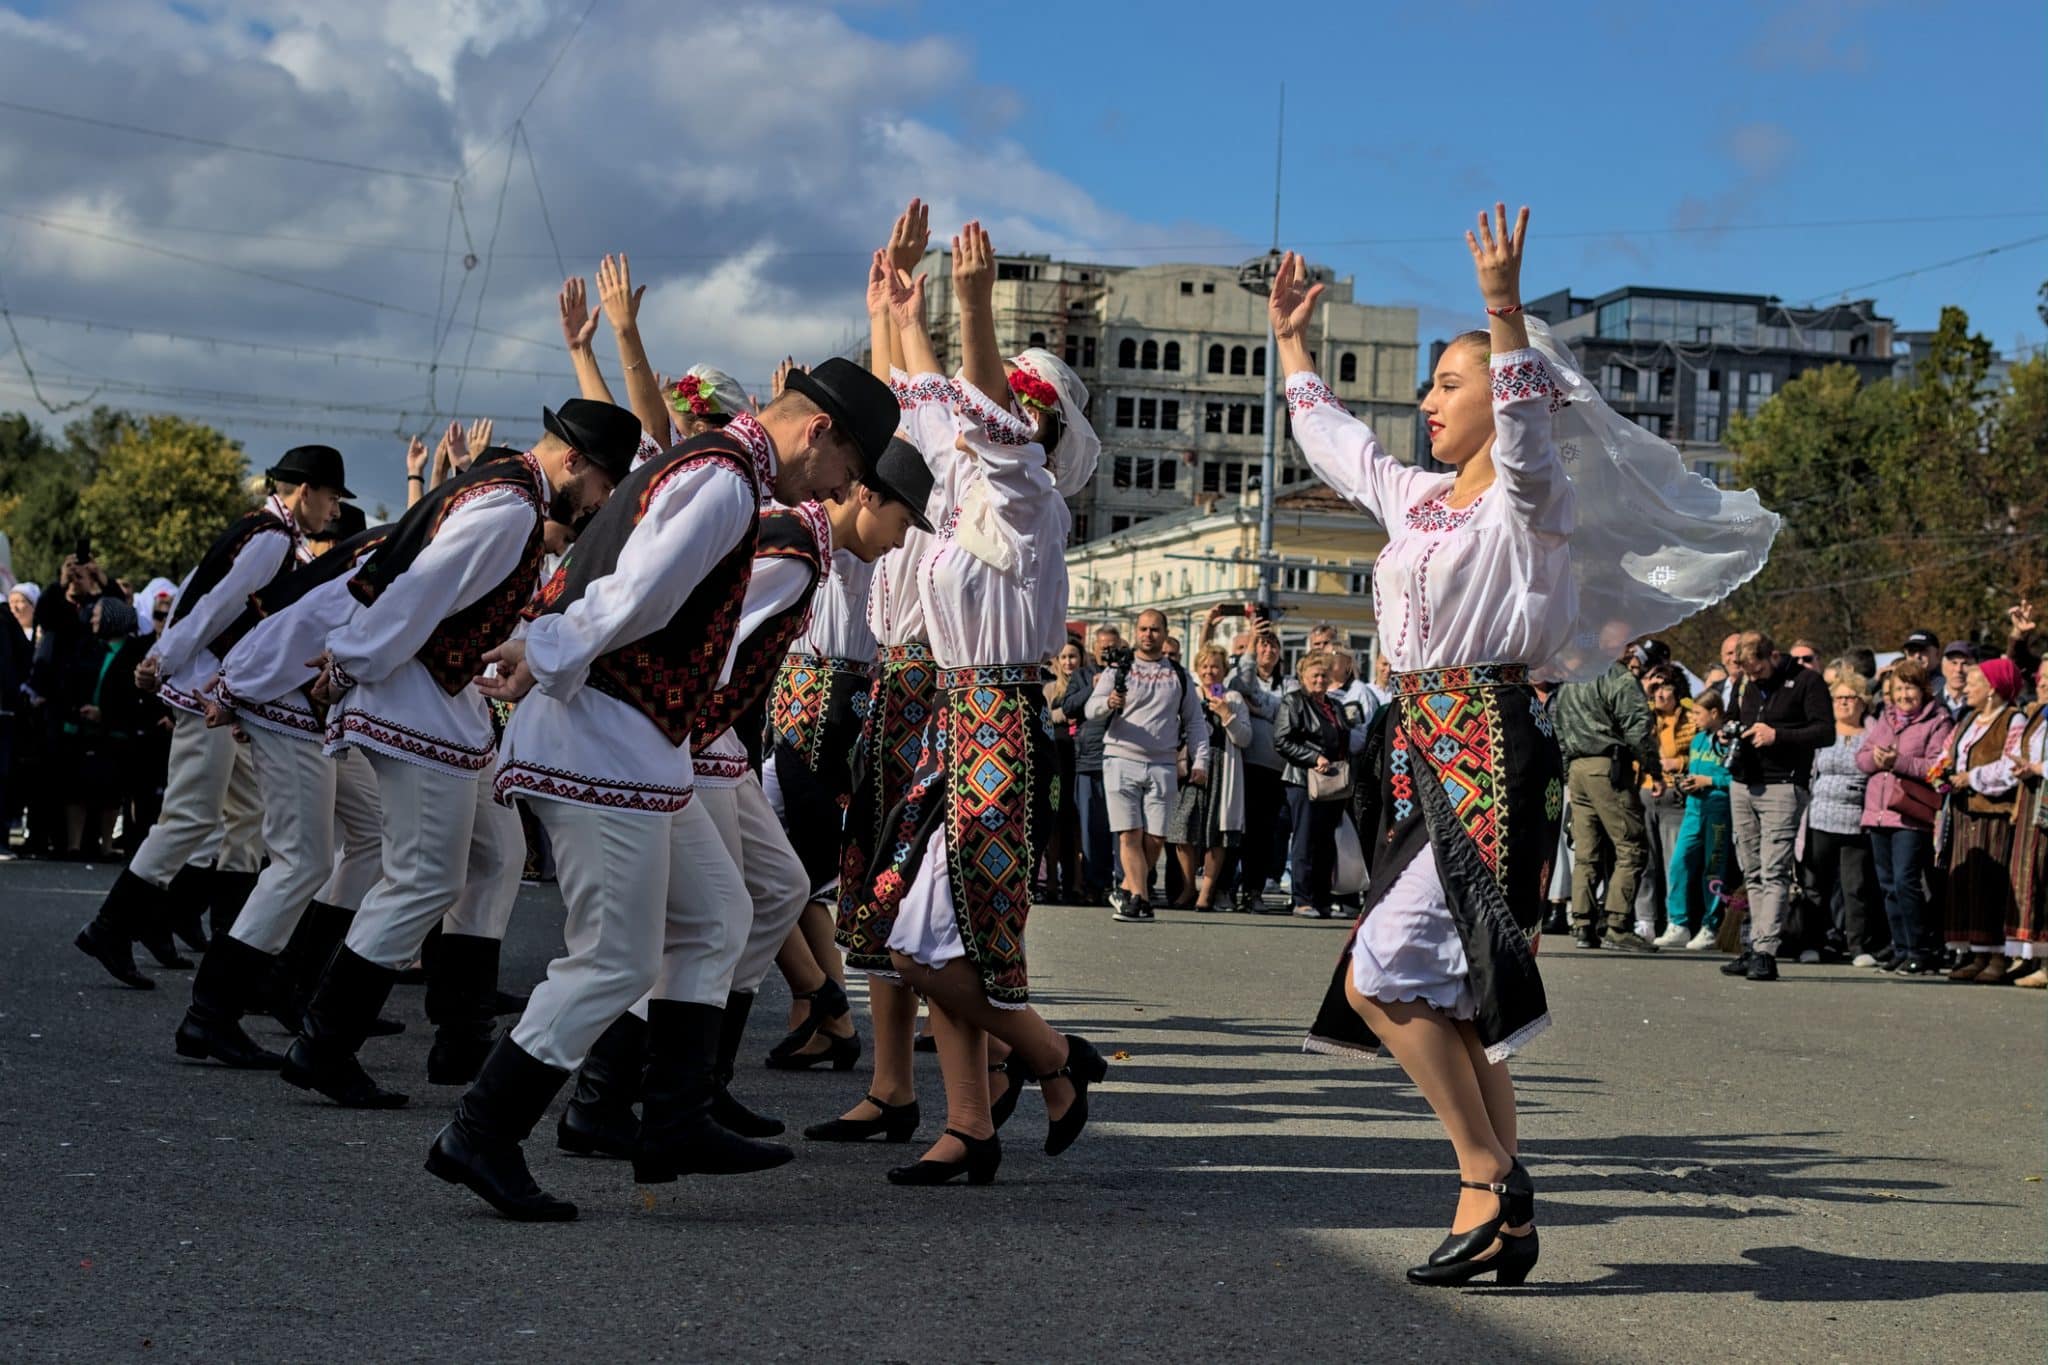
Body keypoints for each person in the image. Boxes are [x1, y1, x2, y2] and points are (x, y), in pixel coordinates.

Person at [1284, 205, 1775, 1287]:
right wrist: (1289, 350)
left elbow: (1520, 437)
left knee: (1379, 975)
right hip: (1420, 744)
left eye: (1445, 384)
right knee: (1456, 995)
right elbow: (1342, 445)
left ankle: (1486, 1178)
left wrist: (1502, 312)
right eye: (1431, 387)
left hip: (1493, 745)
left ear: (1505, 397)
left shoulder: (1527, 503)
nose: (1426, 403)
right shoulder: (1416, 503)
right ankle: (1504, 1205)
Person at [426, 363, 888, 1221]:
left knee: (716, 913)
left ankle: (673, 1117)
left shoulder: (724, 472)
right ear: (820, 433)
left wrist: (550, 648)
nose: (842, 489)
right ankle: (482, 1129)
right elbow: (638, 591)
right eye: (850, 468)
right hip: (602, 736)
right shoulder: (722, 479)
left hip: (630, 738)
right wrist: (551, 653)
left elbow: (630, 585)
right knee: (613, 958)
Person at [281, 402, 630, 1110]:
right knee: (421, 876)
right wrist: (352, 656)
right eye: (601, 485)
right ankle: (324, 1041)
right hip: (412, 695)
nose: (598, 502)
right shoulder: (509, 506)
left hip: (436, 693)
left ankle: (461, 1030)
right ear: (575, 463)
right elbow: (419, 588)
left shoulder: (508, 490)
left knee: (494, 850)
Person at [860, 224, 1109, 1186]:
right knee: (918, 930)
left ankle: (1050, 1059)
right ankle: (973, 1118)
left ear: (1036, 426)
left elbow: (980, 419)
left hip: (999, 723)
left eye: (1009, 403)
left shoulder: (1025, 494)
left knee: (935, 936)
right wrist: (900, 310)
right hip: (951, 721)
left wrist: (970, 308)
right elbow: (921, 404)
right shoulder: (968, 482)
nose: (989, 413)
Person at [73, 446, 347, 989]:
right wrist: (164, 660)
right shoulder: (269, 538)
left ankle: (211, 930)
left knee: (242, 813)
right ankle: (113, 925)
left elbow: (200, 590)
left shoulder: (261, 530)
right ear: (306, 492)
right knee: (192, 814)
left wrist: (166, 655)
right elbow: (215, 604)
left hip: (220, 688)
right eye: (333, 497)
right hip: (207, 689)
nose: (335, 511)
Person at [174, 515, 388, 1069]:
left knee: (371, 834)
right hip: (285, 697)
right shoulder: (413, 547)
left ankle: (295, 981)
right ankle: (210, 1013)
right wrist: (235, 685)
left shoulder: (409, 541)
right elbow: (306, 620)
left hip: (305, 702)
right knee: (301, 860)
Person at [1720, 630, 1831, 983]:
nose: (1753, 678)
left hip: (1783, 784)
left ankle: (1767, 950)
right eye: (1747, 673)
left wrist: (1777, 735)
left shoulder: (1807, 682)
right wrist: (1727, 732)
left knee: (1774, 868)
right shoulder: (1744, 684)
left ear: (1774, 657)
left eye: (1757, 671)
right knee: (1750, 868)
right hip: (1743, 782)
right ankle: (1754, 943)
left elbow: (1825, 732)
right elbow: (1731, 718)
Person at [1087, 607, 1207, 923]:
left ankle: (1127, 888)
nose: (1148, 635)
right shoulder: (1119, 669)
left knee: (1156, 837)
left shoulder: (1178, 675)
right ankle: (1139, 899)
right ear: (1136, 632)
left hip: (1162, 763)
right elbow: (1090, 708)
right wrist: (1107, 702)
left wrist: (1201, 759)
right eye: (1143, 629)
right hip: (1120, 757)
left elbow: (1195, 722)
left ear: (1165, 634)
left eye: (1154, 630)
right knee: (1129, 833)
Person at [1553, 652, 1661, 952]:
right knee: (1631, 846)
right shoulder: (1615, 676)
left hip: (1577, 770)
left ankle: (1583, 923)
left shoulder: (1570, 678)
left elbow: (1558, 727)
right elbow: (1638, 725)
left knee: (1586, 852)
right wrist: (1653, 768)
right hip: (1608, 768)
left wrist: (1567, 774)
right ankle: (1617, 923)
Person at [1856, 660, 1954, 975]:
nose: (1904, 694)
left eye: (1910, 687)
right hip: (1878, 812)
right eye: (1898, 688)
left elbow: (1935, 767)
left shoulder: (1938, 721)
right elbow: (1862, 758)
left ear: (1923, 689)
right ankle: (1900, 948)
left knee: (1906, 881)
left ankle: (1920, 950)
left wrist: (1898, 762)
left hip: (1909, 814)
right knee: (1887, 884)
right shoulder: (1885, 718)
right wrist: (1876, 758)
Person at [1939, 658, 2025, 984]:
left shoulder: (2012, 720)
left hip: (1995, 813)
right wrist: (1941, 773)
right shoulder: (1969, 720)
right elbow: (1947, 753)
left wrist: (1970, 777)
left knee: (1993, 884)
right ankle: (1977, 953)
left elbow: (2009, 767)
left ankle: (1998, 956)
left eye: (1974, 682)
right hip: (1964, 812)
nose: (1967, 687)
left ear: (1991, 689)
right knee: (1968, 883)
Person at [1165, 644, 1252, 911]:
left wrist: (1227, 715)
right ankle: (1188, 885)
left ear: (1224, 670)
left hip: (1222, 769)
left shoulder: (1234, 697)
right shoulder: (1188, 693)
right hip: (1191, 767)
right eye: (1204, 666)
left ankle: (1206, 891)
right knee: (1181, 828)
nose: (1209, 671)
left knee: (1217, 833)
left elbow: (1245, 738)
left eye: (1215, 666)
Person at [1275, 651, 1358, 919]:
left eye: (1323, 675)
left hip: (1332, 781)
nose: (1320, 680)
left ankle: (1322, 900)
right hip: (1303, 781)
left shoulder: (1333, 705)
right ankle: (1302, 899)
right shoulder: (1294, 702)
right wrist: (1313, 758)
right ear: (1303, 677)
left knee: (1326, 842)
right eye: (1315, 675)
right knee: (1304, 841)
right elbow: (1282, 740)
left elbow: (1345, 736)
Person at [1803, 674, 1879, 964]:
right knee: (1815, 886)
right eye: (1839, 697)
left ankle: (1858, 946)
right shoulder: (1820, 732)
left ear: (1863, 703)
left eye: (1851, 697)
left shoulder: (1874, 735)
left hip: (1856, 819)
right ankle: (1813, 943)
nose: (1845, 703)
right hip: (1819, 817)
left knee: (1855, 888)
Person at [1228, 617, 1289, 913]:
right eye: (1264, 645)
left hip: (1273, 769)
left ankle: (1254, 890)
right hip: (1244, 765)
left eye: (1273, 645)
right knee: (1237, 830)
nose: (1269, 650)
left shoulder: (1288, 684)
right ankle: (1228, 888)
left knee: (1263, 834)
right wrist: (1253, 638)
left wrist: (1258, 708)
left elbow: (1286, 717)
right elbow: (1239, 685)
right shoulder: (1247, 678)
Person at [1664, 689, 1734, 949]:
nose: (1693, 718)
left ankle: (1711, 925)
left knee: (1713, 867)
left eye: (1697, 713)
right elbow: (1693, 771)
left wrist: (1709, 781)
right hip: (1693, 810)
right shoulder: (1697, 741)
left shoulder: (1727, 741)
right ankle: (1678, 922)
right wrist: (1687, 783)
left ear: (1714, 713)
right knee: (1679, 861)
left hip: (1718, 811)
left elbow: (1734, 778)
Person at [1639, 666, 1693, 945]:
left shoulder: (1688, 719)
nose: (1659, 693)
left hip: (1675, 797)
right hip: (1645, 792)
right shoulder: (1644, 716)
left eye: (1666, 687)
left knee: (1674, 862)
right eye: (1655, 687)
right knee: (1645, 861)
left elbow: (1686, 750)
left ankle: (1677, 921)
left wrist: (1680, 763)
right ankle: (1645, 920)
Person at [2005, 658, 2047, 986]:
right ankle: (2034, 957)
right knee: (2032, 879)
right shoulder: (2039, 715)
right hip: (2034, 802)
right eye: (2041, 677)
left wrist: (2038, 769)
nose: (2043, 683)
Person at [1073, 623, 1121, 901]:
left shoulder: (1126, 674)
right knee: (1091, 829)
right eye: (1103, 647)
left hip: (1120, 758)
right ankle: (1093, 883)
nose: (1107, 651)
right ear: (1094, 649)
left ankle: (1122, 883)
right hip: (1089, 760)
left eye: (1112, 647)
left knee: (1121, 827)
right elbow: (1068, 706)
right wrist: (1091, 690)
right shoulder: (1082, 675)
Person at [1040, 639, 1088, 904]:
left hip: (1081, 759)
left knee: (1077, 825)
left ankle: (1078, 882)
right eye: (1065, 657)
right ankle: (1050, 884)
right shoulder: (1049, 688)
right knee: (1056, 824)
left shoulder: (1090, 686)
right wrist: (1062, 715)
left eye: (1074, 657)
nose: (1069, 662)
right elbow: (1045, 716)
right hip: (1057, 759)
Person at [1939, 642, 1975, 722]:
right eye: (1954, 663)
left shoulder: (1980, 707)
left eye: (1965, 663)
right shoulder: (1930, 704)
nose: (1958, 669)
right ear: (1943, 667)